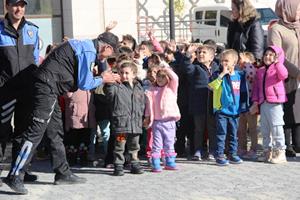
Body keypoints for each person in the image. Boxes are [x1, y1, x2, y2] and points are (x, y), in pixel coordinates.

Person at [3, 31, 119, 194]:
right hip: (47, 87)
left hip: (50, 87)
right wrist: (103, 79)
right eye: (110, 53)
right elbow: (85, 83)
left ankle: (63, 173)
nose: (107, 58)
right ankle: (14, 175)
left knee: (55, 132)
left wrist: (103, 71)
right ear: (107, 47)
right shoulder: (88, 50)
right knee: (35, 132)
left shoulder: (85, 45)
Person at [0, 0, 39, 185]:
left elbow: (36, 61)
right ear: (6, 6)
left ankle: (19, 171)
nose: (19, 9)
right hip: (4, 91)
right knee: (2, 130)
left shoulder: (33, 29)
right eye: (15, 5)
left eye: (22, 5)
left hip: (27, 91)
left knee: (23, 132)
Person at [268, 0, 300, 157]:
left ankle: (297, 143)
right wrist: (296, 72)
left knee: (298, 109)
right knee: (287, 111)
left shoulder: (298, 27)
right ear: (288, 9)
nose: (299, 11)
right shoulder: (276, 29)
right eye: (298, 8)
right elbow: (278, 56)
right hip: (286, 77)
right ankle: (286, 144)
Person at [104, 61, 145, 176]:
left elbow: (142, 104)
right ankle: (118, 165)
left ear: (134, 74)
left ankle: (134, 163)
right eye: (121, 73)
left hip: (135, 124)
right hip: (121, 125)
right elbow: (109, 94)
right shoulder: (116, 87)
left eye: (127, 73)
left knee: (134, 146)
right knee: (119, 145)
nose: (124, 75)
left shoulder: (139, 88)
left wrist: (143, 116)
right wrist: (109, 83)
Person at [208, 49, 248, 166]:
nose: (223, 63)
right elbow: (211, 86)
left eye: (226, 61)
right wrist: (221, 75)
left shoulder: (239, 75)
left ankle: (233, 154)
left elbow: (243, 92)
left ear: (234, 63)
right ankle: (219, 154)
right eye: (222, 61)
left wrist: (243, 106)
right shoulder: (217, 74)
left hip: (234, 111)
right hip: (221, 110)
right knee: (221, 133)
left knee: (233, 134)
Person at [250, 45, 288, 164]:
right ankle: (267, 151)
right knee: (264, 128)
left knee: (276, 127)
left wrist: (278, 64)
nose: (267, 57)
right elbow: (256, 87)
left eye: (271, 55)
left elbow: (284, 75)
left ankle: (280, 152)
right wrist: (256, 102)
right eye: (266, 54)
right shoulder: (260, 71)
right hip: (264, 103)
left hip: (275, 103)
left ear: (277, 57)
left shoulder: (278, 68)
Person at [183, 44, 219, 161]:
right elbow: (187, 67)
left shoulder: (216, 67)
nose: (200, 54)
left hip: (212, 104)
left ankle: (212, 150)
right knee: (199, 129)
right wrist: (188, 54)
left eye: (204, 52)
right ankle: (198, 150)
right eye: (198, 52)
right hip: (198, 104)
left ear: (211, 57)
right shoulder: (195, 67)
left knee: (212, 128)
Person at [144, 66, 181, 172]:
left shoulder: (171, 88)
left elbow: (175, 78)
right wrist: (147, 117)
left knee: (169, 143)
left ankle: (169, 162)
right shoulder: (152, 90)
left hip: (169, 122)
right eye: (158, 77)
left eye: (163, 77)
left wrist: (167, 69)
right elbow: (148, 106)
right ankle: (155, 163)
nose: (160, 79)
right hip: (157, 122)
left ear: (168, 78)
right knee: (156, 144)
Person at [237, 52, 258, 159]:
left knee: (252, 128)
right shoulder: (239, 70)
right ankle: (242, 147)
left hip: (250, 102)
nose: (240, 61)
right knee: (241, 129)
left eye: (242, 59)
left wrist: (246, 63)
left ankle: (254, 148)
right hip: (241, 103)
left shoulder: (252, 69)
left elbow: (250, 73)